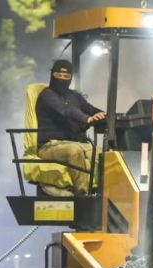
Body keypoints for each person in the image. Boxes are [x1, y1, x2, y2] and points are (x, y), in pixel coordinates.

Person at [36, 59, 106, 196]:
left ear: (71, 78)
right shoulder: (47, 95)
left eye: (66, 77)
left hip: (74, 142)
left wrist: (104, 115)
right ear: (52, 75)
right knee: (74, 152)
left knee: (102, 153)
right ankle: (83, 194)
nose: (62, 79)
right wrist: (86, 119)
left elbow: (90, 109)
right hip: (50, 145)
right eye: (59, 76)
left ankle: (102, 191)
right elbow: (65, 110)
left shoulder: (74, 96)